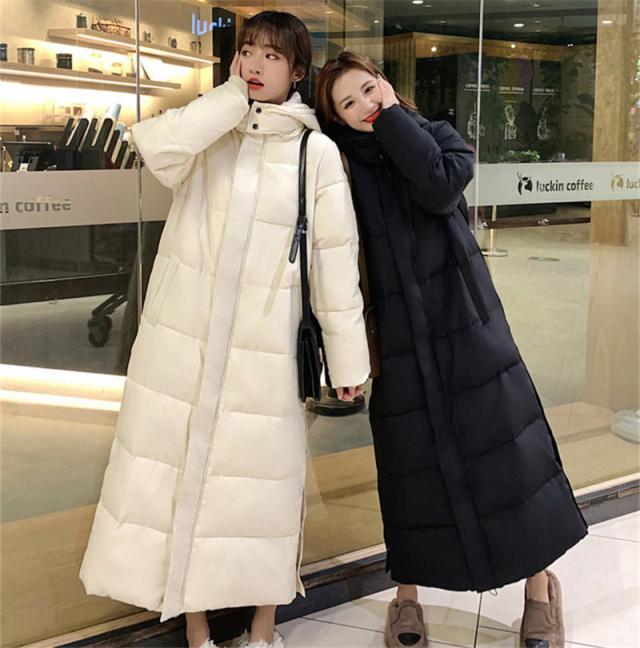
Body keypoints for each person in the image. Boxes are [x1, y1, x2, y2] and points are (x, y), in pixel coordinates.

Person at [79, 15, 370, 648]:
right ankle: (197, 630)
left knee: (264, 495)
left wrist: (348, 364)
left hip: (266, 352)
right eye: (248, 52)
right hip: (184, 342)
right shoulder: (211, 132)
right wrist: (229, 97)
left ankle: (263, 630)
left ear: (298, 72)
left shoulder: (315, 153)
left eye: (273, 56)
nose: (257, 64)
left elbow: (334, 262)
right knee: (178, 479)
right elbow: (156, 148)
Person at [316, 50, 588, 648]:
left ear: (385, 84)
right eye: (348, 103)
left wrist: (393, 121)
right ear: (335, 119)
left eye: (369, 89)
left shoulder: (435, 136)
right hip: (396, 333)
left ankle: (539, 588)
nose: (364, 106)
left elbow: (440, 188)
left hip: (466, 317)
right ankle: (407, 596)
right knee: (410, 466)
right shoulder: (340, 167)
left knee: (507, 449)